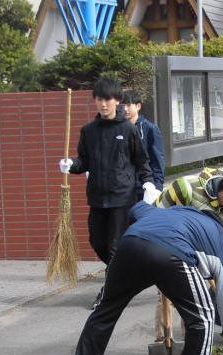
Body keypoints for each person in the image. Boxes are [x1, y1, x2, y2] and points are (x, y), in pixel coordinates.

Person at [61, 202, 223, 355]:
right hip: (172, 254)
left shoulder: (177, 212)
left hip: (130, 245)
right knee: (203, 318)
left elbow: (136, 209)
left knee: (104, 312)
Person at [58, 77, 155, 310]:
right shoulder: (89, 131)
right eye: (99, 99)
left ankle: (108, 295)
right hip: (97, 197)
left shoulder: (129, 130)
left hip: (122, 197)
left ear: (117, 101)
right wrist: (70, 164)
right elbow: (85, 162)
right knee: (97, 241)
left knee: (113, 246)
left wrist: (149, 183)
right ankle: (127, 273)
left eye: (108, 99)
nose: (103, 104)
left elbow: (142, 161)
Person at [152, 168, 223, 342]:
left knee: (197, 299)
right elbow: (153, 217)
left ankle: (192, 345)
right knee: (168, 297)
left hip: (198, 257)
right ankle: (163, 342)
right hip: (168, 249)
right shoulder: (185, 188)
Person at [121, 91, 165, 197]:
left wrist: (157, 188)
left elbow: (158, 160)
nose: (125, 109)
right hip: (123, 189)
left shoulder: (149, 129)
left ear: (138, 106)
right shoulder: (119, 129)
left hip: (145, 187)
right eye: (123, 105)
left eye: (128, 105)